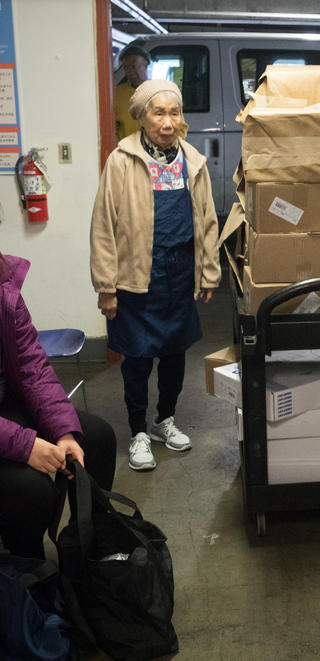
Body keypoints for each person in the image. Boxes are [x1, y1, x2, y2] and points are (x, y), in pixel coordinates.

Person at [91, 79, 220, 473]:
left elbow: (208, 221)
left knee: (174, 354)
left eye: (174, 112)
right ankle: (137, 432)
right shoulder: (122, 160)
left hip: (179, 274)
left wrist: (208, 273)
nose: (167, 122)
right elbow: (103, 225)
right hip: (136, 276)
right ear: (142, 117)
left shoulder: (192, 161)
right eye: (158, 112)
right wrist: (106, 287)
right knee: (137, 359)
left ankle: (165, 421)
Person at [0, 253, 117, 560]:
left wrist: (64, 431)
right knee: (31, 490)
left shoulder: (4, 283)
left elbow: (31, 366)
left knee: (97, 439)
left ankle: (87, 556)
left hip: (5, 404)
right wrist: (27, 446)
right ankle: (27, 572)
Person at [115, 44, 151, 141]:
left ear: (146, 64)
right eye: (126, 67)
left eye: (134, 66)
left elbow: (179, 127)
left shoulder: (160, 92)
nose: (130, 72)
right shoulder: (117, 94)